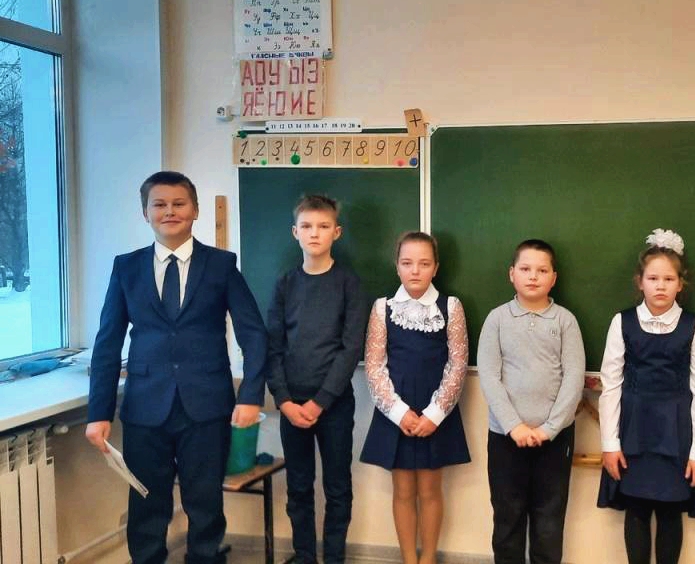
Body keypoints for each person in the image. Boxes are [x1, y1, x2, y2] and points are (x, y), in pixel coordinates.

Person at [85, 171, 267, 564]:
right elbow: (107, 343)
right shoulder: (126, 268)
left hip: (207, 407)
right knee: (147, 505)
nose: (170, 211)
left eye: (179, 203)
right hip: (144, 408)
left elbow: (254, 335)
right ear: (145, 213)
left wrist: (251, 395)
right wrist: (98, 413)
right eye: (160, 204)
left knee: (205, 503)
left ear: (195, 210)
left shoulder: (220, 265)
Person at [597, 228, 695, 564]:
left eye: (668, 279)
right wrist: (610, 443)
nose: (660, 286)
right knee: (635, 508)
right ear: (640, 282)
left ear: (681, 284)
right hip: (633, 431)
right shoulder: (622, 322)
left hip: (676, 433)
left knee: (669, 511)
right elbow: (611, 386)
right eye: (653, 278)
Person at [264, 194, 368, 564]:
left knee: (337, 486)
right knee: (298, 486)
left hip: (334, 404)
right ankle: (304, 555)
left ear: (336, 232)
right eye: (306, 226)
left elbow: (351, 348)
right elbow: (273, 346)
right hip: (292, 405)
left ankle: (334, 557)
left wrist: (320, 401)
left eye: (323, 226)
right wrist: (284, 400)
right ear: (295, 232)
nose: (314, 233)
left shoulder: (349, 284)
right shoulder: (285, 284)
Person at [360, 231, 471, 564]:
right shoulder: (383, 308)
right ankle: (409, 558)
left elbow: (458, 364)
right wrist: (399, 412)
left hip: (436, 411)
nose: (415, 270)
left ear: (435, 267)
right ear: (397, 266)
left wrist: (435, 413)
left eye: (424, 263)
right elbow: (374, 366)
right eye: (407, 263)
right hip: (397, 411)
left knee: (430, 490)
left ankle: (428, 558)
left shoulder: (450, 307)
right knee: (403, 491)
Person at [477, 239, 585, 564]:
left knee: (549, 519)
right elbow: (489, 376)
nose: (533, 276)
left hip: (555, 439)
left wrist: (549, 429)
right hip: (505, 437)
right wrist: (515, 426)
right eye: (525, 269)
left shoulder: (565, 320)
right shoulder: (497, 319)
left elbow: (573, 377)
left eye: (542, 270)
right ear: (512, 274)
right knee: (507, 517)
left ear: (554, 277)